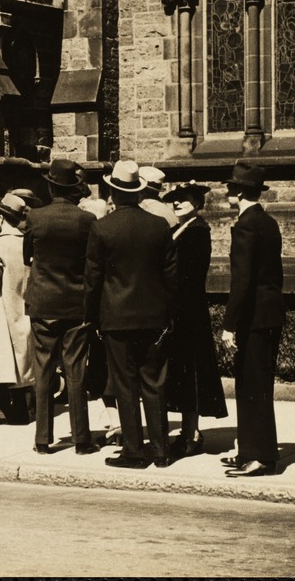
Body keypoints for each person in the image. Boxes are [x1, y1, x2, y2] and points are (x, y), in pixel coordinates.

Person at [85, 160, 178, 469]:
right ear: (138, 192)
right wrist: (168, 315)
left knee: (125, 386)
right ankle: (161, 450)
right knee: (154, 383)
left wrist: (92, 318)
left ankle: (134, 451)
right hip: (154, 317)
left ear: (113, 190)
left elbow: (93, 280)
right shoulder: (158, 225)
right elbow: (171, 277)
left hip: (116, 317)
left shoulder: (102, 227)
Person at [24, 159, 99, 454]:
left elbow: (27, 255)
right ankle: (82, 439)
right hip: (75, 302)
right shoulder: (86, 220)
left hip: (43, 302)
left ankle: (42, 439)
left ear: (51, 186)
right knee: (76, 371)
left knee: (43, 371)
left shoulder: (35, 218)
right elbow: (91, 263)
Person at [220, 161, 285, 478]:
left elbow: (242, 281)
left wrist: (229, 324)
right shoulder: (269, 222)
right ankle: (250, 451)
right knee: (253, 384)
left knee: (252, 385)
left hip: (254, 317)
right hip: (269, 312)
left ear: (241, 192)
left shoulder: (245, 225)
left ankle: (261, 456)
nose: (227, 190)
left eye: (231, 186)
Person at [161, 182, 227, 458]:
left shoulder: (198, 231)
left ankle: (192, 433)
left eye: (184, 199)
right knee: (180, 373)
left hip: (188, 312)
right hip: (178, 309)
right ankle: (188, 430)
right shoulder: (179, 229)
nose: (177, 204)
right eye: (175, 200)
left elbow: (186, 275)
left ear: (197, 203)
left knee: (190, 373)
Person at [0, 194, 35, 425]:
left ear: (1, 216)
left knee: (1, 362)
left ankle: (3, 412)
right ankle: (26, 409)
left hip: (3, 308)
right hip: (25, 307)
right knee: (23, 360)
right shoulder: (28, 242)